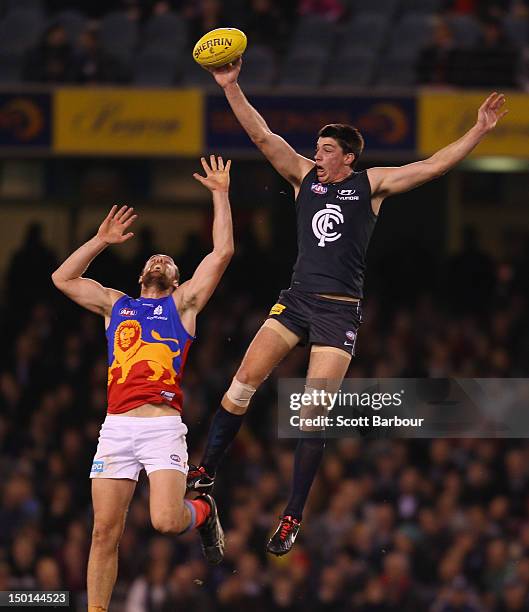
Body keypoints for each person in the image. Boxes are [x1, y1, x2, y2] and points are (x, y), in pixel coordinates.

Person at [187, 56, 508, 557]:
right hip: (295, 302)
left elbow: (432, 166)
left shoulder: (371, 185)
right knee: (243, 382)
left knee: (311, 414)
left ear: (348, 158)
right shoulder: (301, 179)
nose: (316, 155)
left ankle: (292, 516)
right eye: (316, 148)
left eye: (326, 149)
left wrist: (478, 132)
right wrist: (230, 86)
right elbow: (262, 136)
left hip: (338, 312)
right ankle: (205, 472)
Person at [52, 156, 233, 612]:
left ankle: (205, 511)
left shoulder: (185, 305)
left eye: (168, 262)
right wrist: (99, 240)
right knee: (102, 532)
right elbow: (63, 278)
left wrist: (220, 193)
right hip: (116, 427)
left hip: (161, 427)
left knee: (168, 522)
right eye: (154, 258)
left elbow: (222, 253)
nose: (160, 260)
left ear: (175, 281)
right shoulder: (117, 306)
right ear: (140, 275)